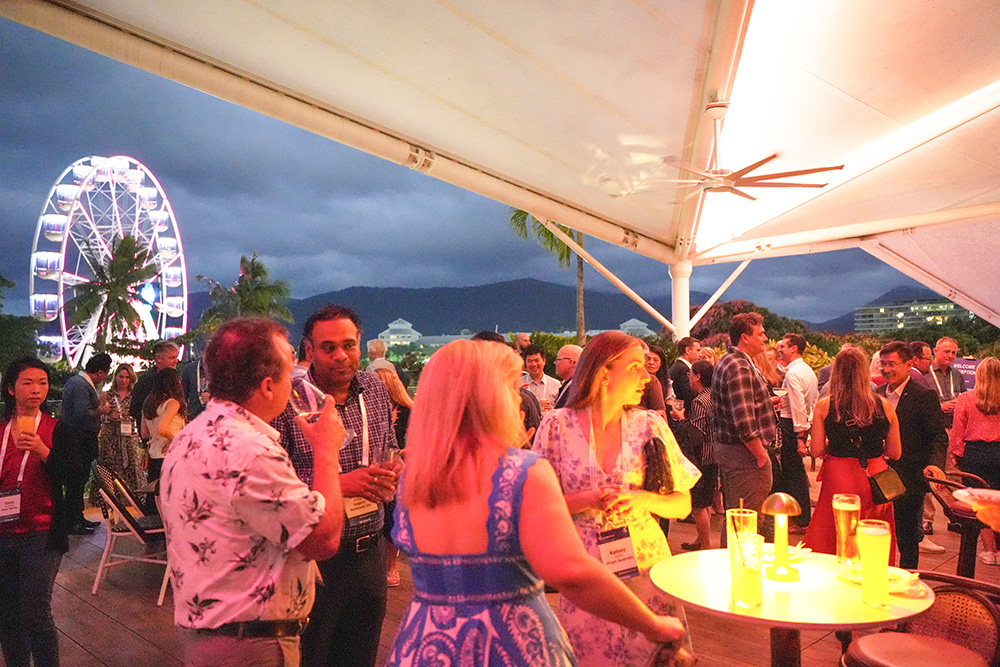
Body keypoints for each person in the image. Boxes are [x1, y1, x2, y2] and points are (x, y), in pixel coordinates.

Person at [386, 339, 687, 666]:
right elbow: (572, 574)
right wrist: (653, 625)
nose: (520, 399)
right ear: (488, 398)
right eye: (511, 388)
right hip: (509, 643)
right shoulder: (521, 473)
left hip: (426, 644)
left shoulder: (414, 479)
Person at [159, 318, 344, 667]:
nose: (293, 384)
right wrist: (326, 452)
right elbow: (323, 539)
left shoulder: (191, 435)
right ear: (268, 386)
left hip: (210, 638)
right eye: (289, 373)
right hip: (251, 645)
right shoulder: (251, 450)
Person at [534, 331, 700, 665]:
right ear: (603, 372)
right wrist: (587, 499)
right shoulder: (557, 427)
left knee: (652, 653)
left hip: (645, 564)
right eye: (635, 367)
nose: (646, 376)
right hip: (584, 572)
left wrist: (641, 500)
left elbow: (683, 504)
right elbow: (538, 508)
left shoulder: (649, 425)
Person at [271, 304, 399, 667]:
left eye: (348, 345)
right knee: (312, 656)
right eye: (328, 348)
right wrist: (342, 484)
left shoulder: (374, 389)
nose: (340, 355)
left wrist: (394, 468)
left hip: (370, 548)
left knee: (360, 655)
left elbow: (388, 445)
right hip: (314, 557)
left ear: (360, 345)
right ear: (309, 350)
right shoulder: (288, 399)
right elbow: (274, 484)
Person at [0, 358, 80, 667]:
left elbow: (74, 477)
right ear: (11, 388)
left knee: (35, 611)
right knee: (7, 613)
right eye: (28, 382)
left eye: (43, 383)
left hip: (42, 531)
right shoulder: (1, 428)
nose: (36, 389)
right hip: (3, 531)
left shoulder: (58, 429)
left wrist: (45, 452)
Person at [803, 347, 901, 561]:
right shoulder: (885, 405)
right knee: (872, 536)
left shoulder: (825, 406)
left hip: (839, 474)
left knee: (834, 531)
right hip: (876, 475)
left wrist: (833, 444)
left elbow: (816, 450)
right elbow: (895, 452)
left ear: (836, 372)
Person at [876, 340, 948, 568]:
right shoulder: (877, 394)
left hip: (910, 476)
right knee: (878, 532)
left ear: (909, 365)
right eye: (883, 364)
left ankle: (909, 578)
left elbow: (938, 435)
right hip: (879, 474)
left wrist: (936, 465)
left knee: (907, 537)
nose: (886, 369)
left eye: (892, 364)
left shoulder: (924, 395)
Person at [712, 312, 778, 542]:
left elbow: (738, 407)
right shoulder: (739, 366)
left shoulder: (730, 361)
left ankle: (731, 560)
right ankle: (739, 563)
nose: (765, 338)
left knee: (736, 518)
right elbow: (744, 422)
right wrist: (761, 456)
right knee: (746, 523)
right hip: (744, 455)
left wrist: (766, 403)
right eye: (761, 334)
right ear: (745, 337)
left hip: (734, 452)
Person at [949, 357, 1000, 565]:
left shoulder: (966, 398)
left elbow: (958, 431)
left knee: (979, 503)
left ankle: (989, 551)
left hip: (974, 454)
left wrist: (956, 454)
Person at [370, 365, 413, 588]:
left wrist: (407, 452)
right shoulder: (370, 409)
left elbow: (418, 437)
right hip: (374, 466)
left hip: (398, 467)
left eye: (379, 383)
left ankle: (392, 565)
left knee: (393, 516)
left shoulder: (407, 409)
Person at [61, 352, 111, 535]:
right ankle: (72, 521)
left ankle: (77, 517)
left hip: (77, 438)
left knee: (78, 480)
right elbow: (82, 413)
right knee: (77, 479)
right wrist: (102, 410)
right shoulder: (81, 385)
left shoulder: (76, 382)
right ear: (100, 372)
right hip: (80, 438)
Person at [774, 333, 818, 532]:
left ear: (794, 348)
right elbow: (812, 401)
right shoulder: (807, 370)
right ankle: (801, 517)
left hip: (791, 425)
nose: (779, 349)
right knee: (796, 472)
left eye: (783, 346)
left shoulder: (793, 374)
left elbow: (798, 406)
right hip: (800, 425)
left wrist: (799, 435)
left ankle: (800, 519)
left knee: (793, 473)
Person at [681, 360, 719, 552]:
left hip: (701, 457)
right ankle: (701, 539)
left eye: (691, 374)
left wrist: (682, 420)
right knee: (706, 502)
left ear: (698, 377)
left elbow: (696, 434)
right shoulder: (715, 396)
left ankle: (705, 545)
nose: (688, 377)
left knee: (698, 505)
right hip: (714, 455)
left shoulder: (699, 402)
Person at [94, 363, 145, 501]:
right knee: (110, 466)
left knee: (133, 465)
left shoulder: (135, 395)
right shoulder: (107, 395)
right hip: (111, 436)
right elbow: (99, 415)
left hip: (129, 435)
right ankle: (109, 498)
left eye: (127, 377)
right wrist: (108, 415)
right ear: (116, 377)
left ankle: (134, 499)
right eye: (121, 377)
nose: (123, 380)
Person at [141, 367, 186, 485]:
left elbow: (144, 433)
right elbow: (162, 428)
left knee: (155, 492)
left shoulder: (148, 403)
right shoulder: (172, 403)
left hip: (153, 455)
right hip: (170, 456)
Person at [130, 340, 180, 425]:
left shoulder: (177, 379)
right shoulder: (146, 381)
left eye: (176, 358)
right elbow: (135, 409)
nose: (175, 361)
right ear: (158, 358)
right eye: (171, 358)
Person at [521, 344, 561, 413]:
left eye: (536, 360)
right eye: (530, 361)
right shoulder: (518, 384)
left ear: (544, 361)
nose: (534, 364)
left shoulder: (556, 385)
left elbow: (561, 410)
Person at [669, 337, 701, 413]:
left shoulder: (677, 367)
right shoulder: (683, 370)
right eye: (698, 350)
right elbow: (689, 394)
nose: (700, 354)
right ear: (688, 350)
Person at [552, 343, 582, 409]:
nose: (555, 363)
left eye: (558, 359)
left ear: (570, 362)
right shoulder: (573, 385)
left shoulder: (576, 389)